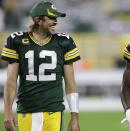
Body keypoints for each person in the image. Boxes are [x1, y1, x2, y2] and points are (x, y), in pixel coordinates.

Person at [1, 1, 80, 131]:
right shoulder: (17, 41)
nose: (56, 21)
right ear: (38, 19)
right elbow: (11, 81)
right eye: (52, 18)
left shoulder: (64, 42)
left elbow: (71, 83)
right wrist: (8, 112)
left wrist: (74, 117)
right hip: (27, 109)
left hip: (53, 111)